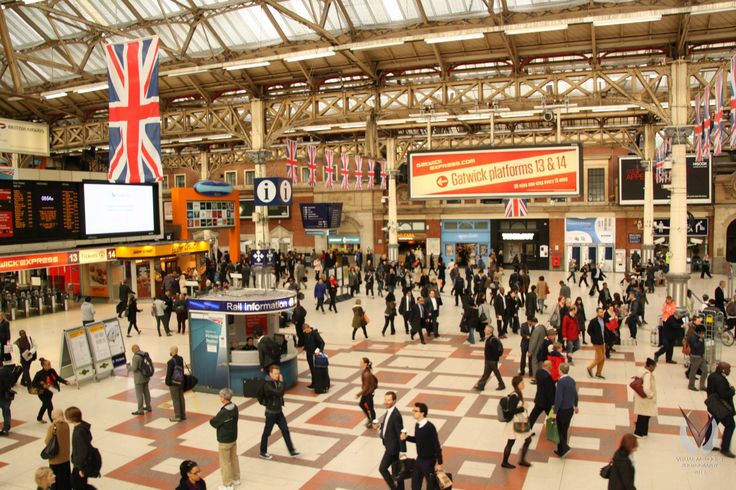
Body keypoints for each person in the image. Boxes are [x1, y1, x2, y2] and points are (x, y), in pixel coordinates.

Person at [400, 402, 444, 490]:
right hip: (419, 459)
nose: (413, 412)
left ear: (422, 413)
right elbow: (418, 439)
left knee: (430, 484)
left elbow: (436, 445)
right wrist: (407, 437)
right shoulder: (417, 425)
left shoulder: (430, 427)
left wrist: (439, 463)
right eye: (413, 410)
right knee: (415, 483)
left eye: (415, 411)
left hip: (429, 461)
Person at [259, 365, 299, 459]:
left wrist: (280, 383)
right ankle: (262, 451)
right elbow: (279, 393)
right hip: (271, 413)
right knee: (267, 432)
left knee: (285, 430)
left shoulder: (277, 382)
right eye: (275, 374)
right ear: (270, 374)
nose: (277, 375)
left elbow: (281, 391)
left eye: (278, 373)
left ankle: (292, 450)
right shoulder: (267, 385)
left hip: (279, 412)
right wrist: (282, 382)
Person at [209, 388, 240, 490]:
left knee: (225, 462)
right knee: (234, 458)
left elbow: (214, 422)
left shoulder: (223, 412)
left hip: (224, 440)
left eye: (220, 396)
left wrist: (211, 420)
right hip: (233, 438)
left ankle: (228, 484)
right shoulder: (235, 407)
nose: (220, 398)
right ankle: (236, 478)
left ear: (223, 398)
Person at [501, 375, 533, 469]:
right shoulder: (515, 396)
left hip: (518, 420)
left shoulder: (517, 394)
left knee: (525, 439)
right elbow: (511, 410)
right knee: (512, 441)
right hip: (516, 422)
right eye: (522, 383)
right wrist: (523, 408)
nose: (524, 384)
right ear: (517, 384)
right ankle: (506, 462)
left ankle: (515, 460)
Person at [704, 362, 735, 458]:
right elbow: (723, 394)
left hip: (712, 405)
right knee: (730, 425)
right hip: (721, 408)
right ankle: (725, 449)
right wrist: (732, 391)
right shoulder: (721, 380)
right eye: (728, 369)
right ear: (723, 370)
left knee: (712, 424)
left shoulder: (712, 376)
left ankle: (707, 445)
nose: (730, 371)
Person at [378, 391, 406, 490]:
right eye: (385, 399)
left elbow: (400, 433)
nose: (386, 402)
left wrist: (403, 451)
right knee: (396, 470)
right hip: (389, 445)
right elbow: (387, 425)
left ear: (394, 401)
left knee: (382, 468)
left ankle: (394, 488)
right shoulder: (389, 411)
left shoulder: (396, 415)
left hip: (392, 448)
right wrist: (380, 426)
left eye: (389, 400)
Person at [551, 363, 578, 458]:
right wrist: (576, 405)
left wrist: (555, 412)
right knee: (564, 429)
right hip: (569, 409)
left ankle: (565, 447)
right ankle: (561, 451)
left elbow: (559, 398)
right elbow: (575, 394)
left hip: (562, 410)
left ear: (560, 370)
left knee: (558, 430)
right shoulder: (572, 380)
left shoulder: (560, 382)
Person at [32, 358, 71, 423]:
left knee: (45, 405)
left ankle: (39, 418)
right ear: (44, 366)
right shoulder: (39, 374)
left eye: (50, 363)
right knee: (50, 407)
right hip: (43, 393)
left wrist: (65, 382)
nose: (50, 365)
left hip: (50, 392)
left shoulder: (52, 370)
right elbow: (34, 383)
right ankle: (53, 422)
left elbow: (57, 377)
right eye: (48, 364)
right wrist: (42, 385)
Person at [65, 406, 95, 489]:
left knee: (77, 484)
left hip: (80, 465)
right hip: (82, 464)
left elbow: (82, 451)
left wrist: (81, 468)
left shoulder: (78, 432)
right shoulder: (84, 427)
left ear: (70, 419)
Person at [473, 326, 505, 391]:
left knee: (495, 372)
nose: (484, 330)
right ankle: (481, 385)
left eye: (486, 329)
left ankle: (502, 384)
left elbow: (495, 351)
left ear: (489, 331)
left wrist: (494, 360)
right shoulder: (489, 338)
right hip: (488, 359)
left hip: (491, 360)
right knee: (486, 373)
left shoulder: (493, 340)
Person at [45, 409, 71, 488]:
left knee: (56, 482)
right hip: (66, 457)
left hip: (55, 458)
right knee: (66, 480)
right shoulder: (66, 425)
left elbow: (47, 441)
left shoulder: (52, 427)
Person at [527, 360, 555, 428]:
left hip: (539, 398)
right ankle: (555, 430)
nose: (552, 366)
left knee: (533, 416)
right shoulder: (548, 377)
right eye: (551, 365)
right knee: (553, 415)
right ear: (548, 366)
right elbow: (550, 391)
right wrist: (553, 403)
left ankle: (527, 429)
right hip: (546, 402)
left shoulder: (538, 372)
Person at [633, 358, 657, 439]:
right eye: (654, 367)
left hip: (639, 397)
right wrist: (651, 395)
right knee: (644, 415)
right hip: (645, 398)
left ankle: (643, 432)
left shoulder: (641, 370)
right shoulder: (647, 375)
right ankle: (639, 432)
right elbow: (646, 388)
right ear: (650, 366)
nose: (654, 368)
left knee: (644, 414)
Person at [165, 346, 186, 422]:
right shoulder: (180, 359)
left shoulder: (171, 362)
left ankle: (177, 415)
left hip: (174, 383)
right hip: (180, 381)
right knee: (181, 398)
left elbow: (169, 373)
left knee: (175, 399)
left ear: (172, 352)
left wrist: (168, 382)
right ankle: (183, 414)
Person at [131, 344, 153, 415]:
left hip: (139, 378)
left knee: (139, 394)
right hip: (146, 376)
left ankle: (140, 410)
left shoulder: (136, 357)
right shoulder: (145, 354)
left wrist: (128, 367)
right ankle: (148, 406)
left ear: (134, 350)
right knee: (146, 391)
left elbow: (134, 368)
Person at [356, 357, 378, 428]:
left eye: (361, 362)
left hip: (368, 393)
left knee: (371, 408)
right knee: (362, 404)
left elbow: (366, 386)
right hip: (366, 393)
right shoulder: (365, 371)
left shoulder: (366, 374)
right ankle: (370, 419)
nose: (360, 363)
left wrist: (359, 394)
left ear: (365, 364)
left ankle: (373, 422)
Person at [586, 307, 607, 379]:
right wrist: (595, 337)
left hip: (602, 341)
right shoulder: (593, 321)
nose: (602, 313)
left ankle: (598, 373)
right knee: (600, 357)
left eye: (602, 312)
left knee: (603, 358)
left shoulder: (604, 320)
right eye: (600, 312)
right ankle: (589, 367)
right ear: (597, 313)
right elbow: (589, 331)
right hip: (596, 342)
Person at [303, 324, 325, 389]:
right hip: (309, 354)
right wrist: (305, 348)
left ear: (308, 328)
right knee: (312, 369)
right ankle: (313, 383)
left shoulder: (315, 334)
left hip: (315, 355)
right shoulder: (306, 334)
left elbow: (322, 343)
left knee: (315, 370)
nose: (305, 332)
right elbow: (306, 343)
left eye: (305, 330)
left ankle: (317, 384)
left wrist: (319, 351)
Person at [688, 324, 708, 391]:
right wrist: (700, 340)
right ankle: (691, 385)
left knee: (705, 371)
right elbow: (695, 347)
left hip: (701, 357)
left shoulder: (700, 337)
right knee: (693, 372)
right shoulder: (693, 337)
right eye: (703, 333)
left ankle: (702, 385)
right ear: (699, 332)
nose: (704, 334)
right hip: (695, 357)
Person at [0, 364, 12, 436]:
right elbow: (13, 381)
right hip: (7, 395)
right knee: (6, 412)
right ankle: (6, 428)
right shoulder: (8, 371)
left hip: (1, 395)